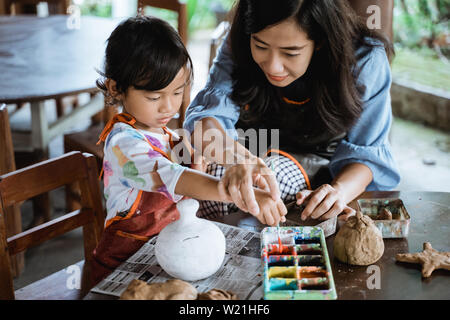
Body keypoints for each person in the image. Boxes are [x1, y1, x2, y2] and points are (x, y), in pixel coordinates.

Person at [90, 16, 287, 285]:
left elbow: (201, 154)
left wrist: (245, 169)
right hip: (123, 267)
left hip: (165, 259)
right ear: (116, 88)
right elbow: (173, 176)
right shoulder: (123, 145)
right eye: (154, 97)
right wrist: (235, 193)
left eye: (177, 92)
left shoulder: (168, 135)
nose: (168, 107)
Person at [184, 0, 400, 222]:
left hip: (316, 166)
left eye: (290, 52)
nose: (273, 66)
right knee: (185, 169)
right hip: (246, 145)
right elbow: (208, 118)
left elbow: (368, 154)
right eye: (260, 46)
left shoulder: (365, 61)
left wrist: (338, 192)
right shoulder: (238, 41)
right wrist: (235, 157)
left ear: (320, 40)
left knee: (270, 189)